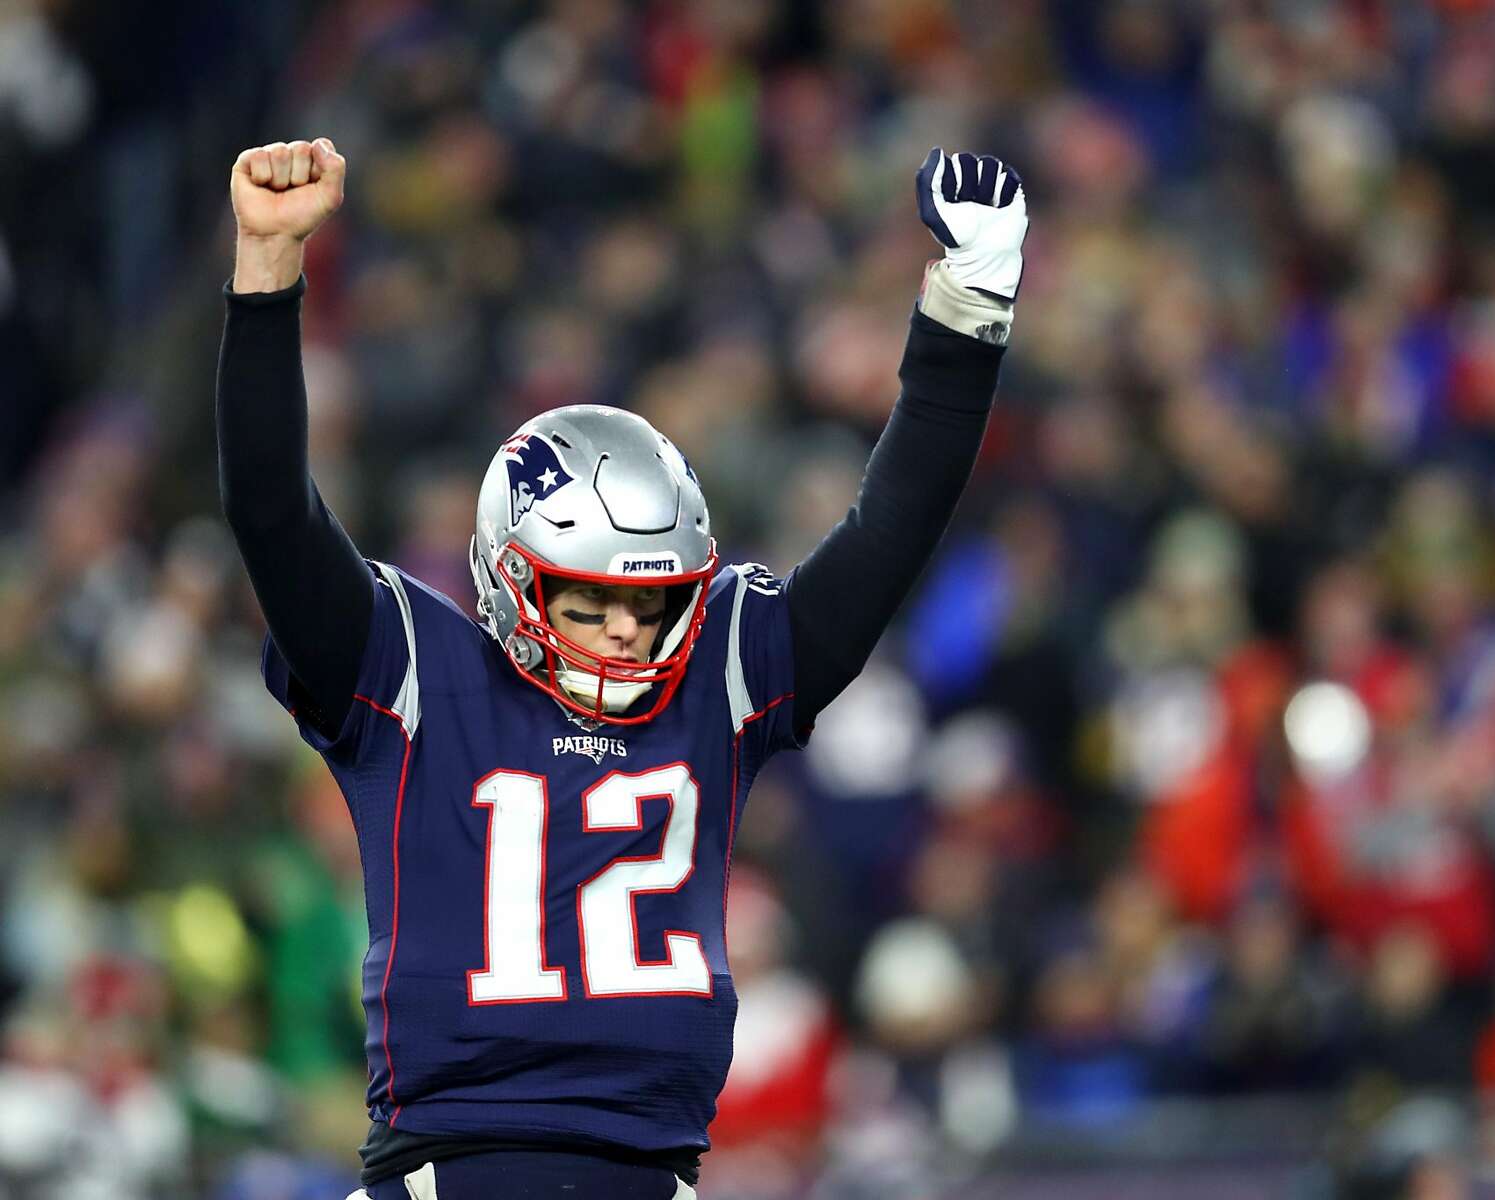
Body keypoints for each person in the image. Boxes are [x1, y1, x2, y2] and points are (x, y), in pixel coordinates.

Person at [217, 136, 1027, 1200]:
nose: (626, 637)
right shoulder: (409, 670)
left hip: (655, 1176)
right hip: (450, 1174)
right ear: (511, 581)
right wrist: (267, 274)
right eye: (588, 603)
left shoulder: (722, 668)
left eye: (649, 607)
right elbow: (274, 513)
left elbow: (891, 531)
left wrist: (967, 315)